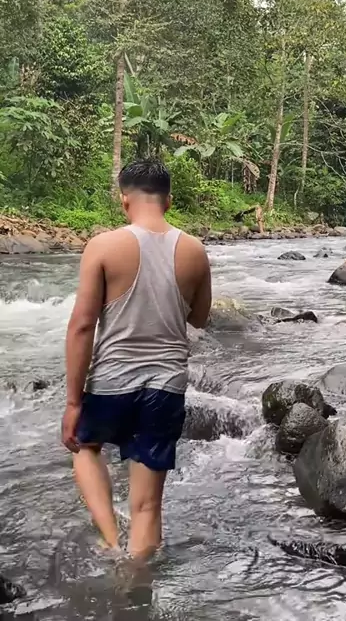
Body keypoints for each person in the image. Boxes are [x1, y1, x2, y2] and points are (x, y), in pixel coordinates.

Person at [61, 159, 212, 559]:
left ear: (124, 200)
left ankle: (111, 541)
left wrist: (73, 402)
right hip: (166, 386)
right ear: (169, 201)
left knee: (85, 447)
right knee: (147, 508)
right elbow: (200, 318)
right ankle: (137, 581)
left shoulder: (103, 246)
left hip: (111, 380)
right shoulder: (195, 251)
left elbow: (82, 326)